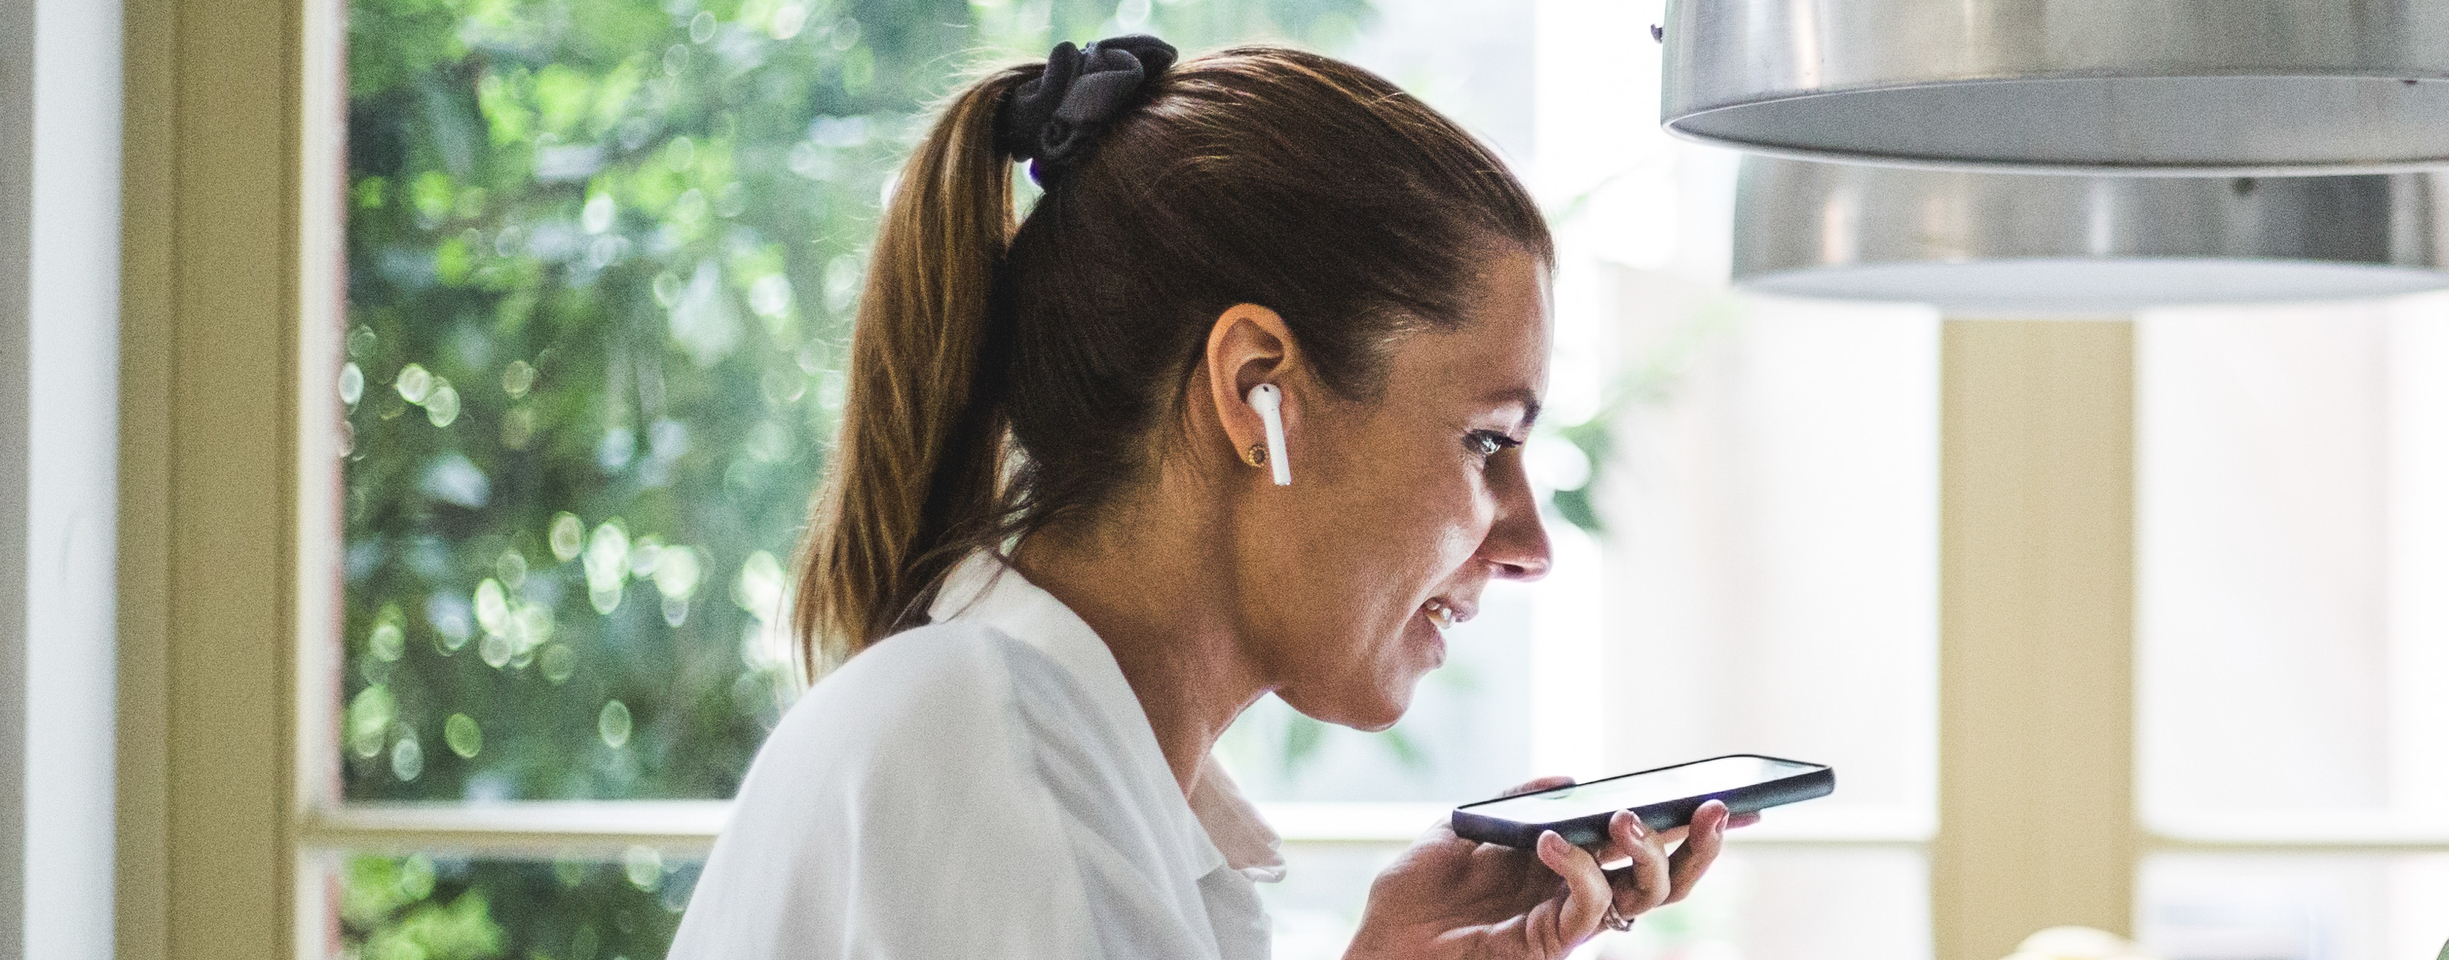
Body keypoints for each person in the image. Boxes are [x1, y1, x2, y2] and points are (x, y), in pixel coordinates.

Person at [668, 36, 1738, 960]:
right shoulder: (992, 757)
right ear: (1254, 388)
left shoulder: (1050, 758)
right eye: (1486, 441)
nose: (1530, 544)